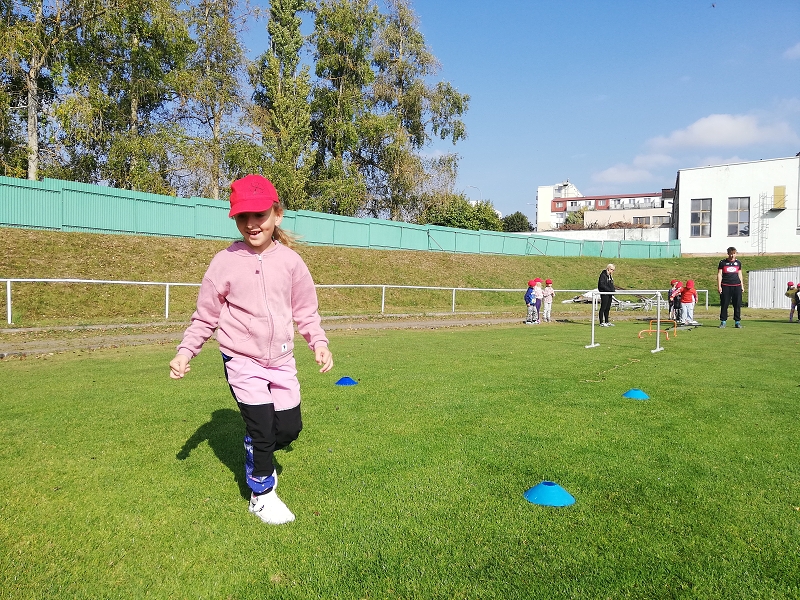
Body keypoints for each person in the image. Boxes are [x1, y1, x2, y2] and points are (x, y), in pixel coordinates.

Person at [169, 174, 334, 525]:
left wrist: (318, 342)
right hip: (242, 360)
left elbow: (305, 310)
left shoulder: (291, 263)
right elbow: (205, 317)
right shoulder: (224, 262)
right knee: (261, 428)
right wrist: (185, 353)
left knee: (288, 429)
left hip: (282, 360)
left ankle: (256, 446)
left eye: (259, 215)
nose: (251, 224)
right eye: (243, 217)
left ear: (277, 214)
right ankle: (261, 494)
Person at [717, 246, 744, 328]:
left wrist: (742, 285)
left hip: (737, 286)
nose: (732, 256)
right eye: (731, 254)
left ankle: (737, 322)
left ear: (736, 254)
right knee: (724, 304)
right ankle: (723, 321)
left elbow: (740, 274)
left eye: (734, 254)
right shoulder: (723, 263)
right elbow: (719, 274)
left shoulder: (738, 263)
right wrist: (719, 286)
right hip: (726, 286)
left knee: (737, 304)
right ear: (728, 254)